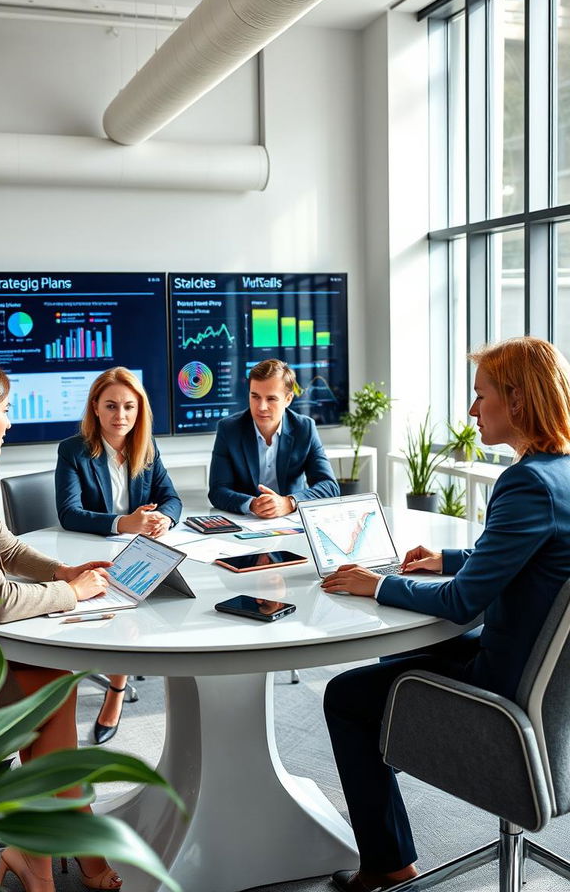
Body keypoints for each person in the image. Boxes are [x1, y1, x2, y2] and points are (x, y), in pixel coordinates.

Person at [321, 336, 570, 892]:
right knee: (403, 655)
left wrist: (377, 584)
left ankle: (388, 865)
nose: (471, 410)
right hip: (555, 686)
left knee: (346, 694)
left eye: (480, 397)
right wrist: (450, 557)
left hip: (510, 685)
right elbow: (532, 554)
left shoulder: (526, 483)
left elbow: (462, 602)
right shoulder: (562, 475)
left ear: (518, 401)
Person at [0, 356, 121, 892]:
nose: (11, 421)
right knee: (51, 692)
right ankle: (55, 851)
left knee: (52, 688)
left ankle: (39, 853)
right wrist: (71, 593)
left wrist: (63, 570)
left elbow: (7, 548)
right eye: (5, 410)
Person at [56, 366, 182, 744]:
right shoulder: (73, 450)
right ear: (95, 407)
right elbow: (69, 513)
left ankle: (118, 683)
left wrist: (164, 520)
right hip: (94, 552)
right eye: (111, 406)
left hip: (141, 550)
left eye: (129, 407)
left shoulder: (147, 446)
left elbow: (174, 498)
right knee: (127, 603)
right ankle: (116, 690)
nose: (121, 416)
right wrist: (122, 523)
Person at [208, 358, 339, 517]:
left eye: (271, 399)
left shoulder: (304, 428)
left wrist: (289, 502)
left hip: (292, 519)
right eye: (255, 396)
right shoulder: (229, 429)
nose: (261, 407)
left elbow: (329, 486)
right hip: (247, 520)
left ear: (288, 399)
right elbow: (217, 491)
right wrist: (252, 504)